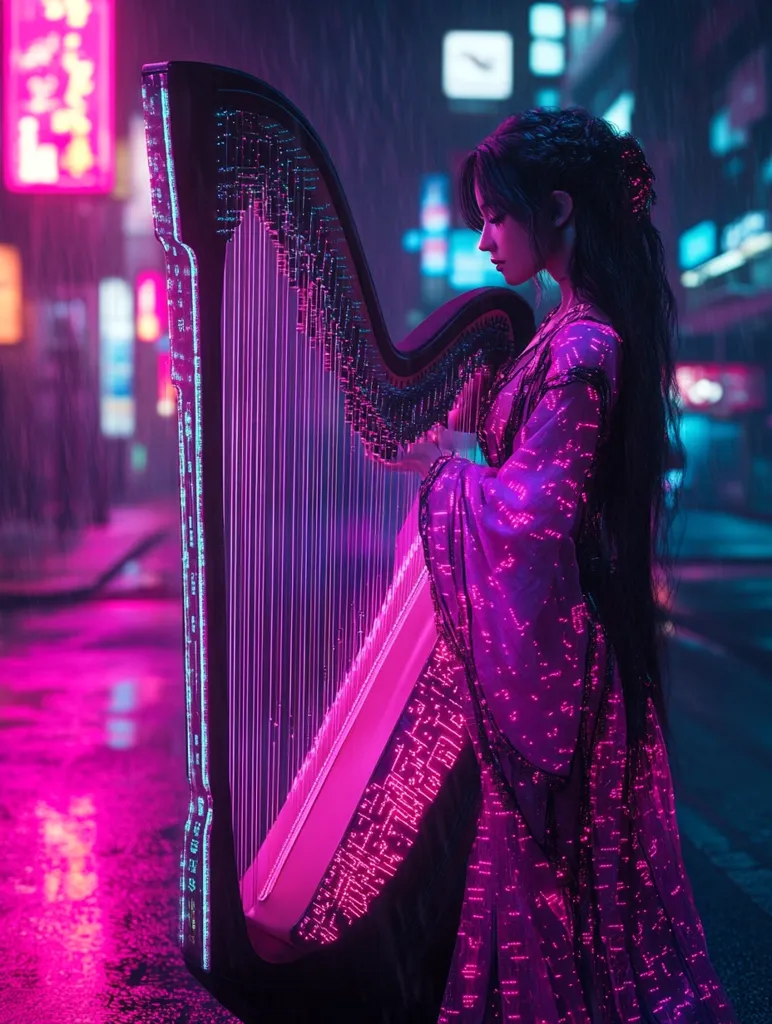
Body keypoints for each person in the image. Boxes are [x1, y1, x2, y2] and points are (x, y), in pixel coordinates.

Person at [393, 108, 737, 1022]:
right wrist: (465, 442)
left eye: (494, 217)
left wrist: (444, 475)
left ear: (557, 210)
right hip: (571, 657)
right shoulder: (567, 331)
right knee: (562, 908)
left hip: (565, 672)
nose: (482, 239)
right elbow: (526, 475)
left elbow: (532, 518)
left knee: (559, 903)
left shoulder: (584, 345)